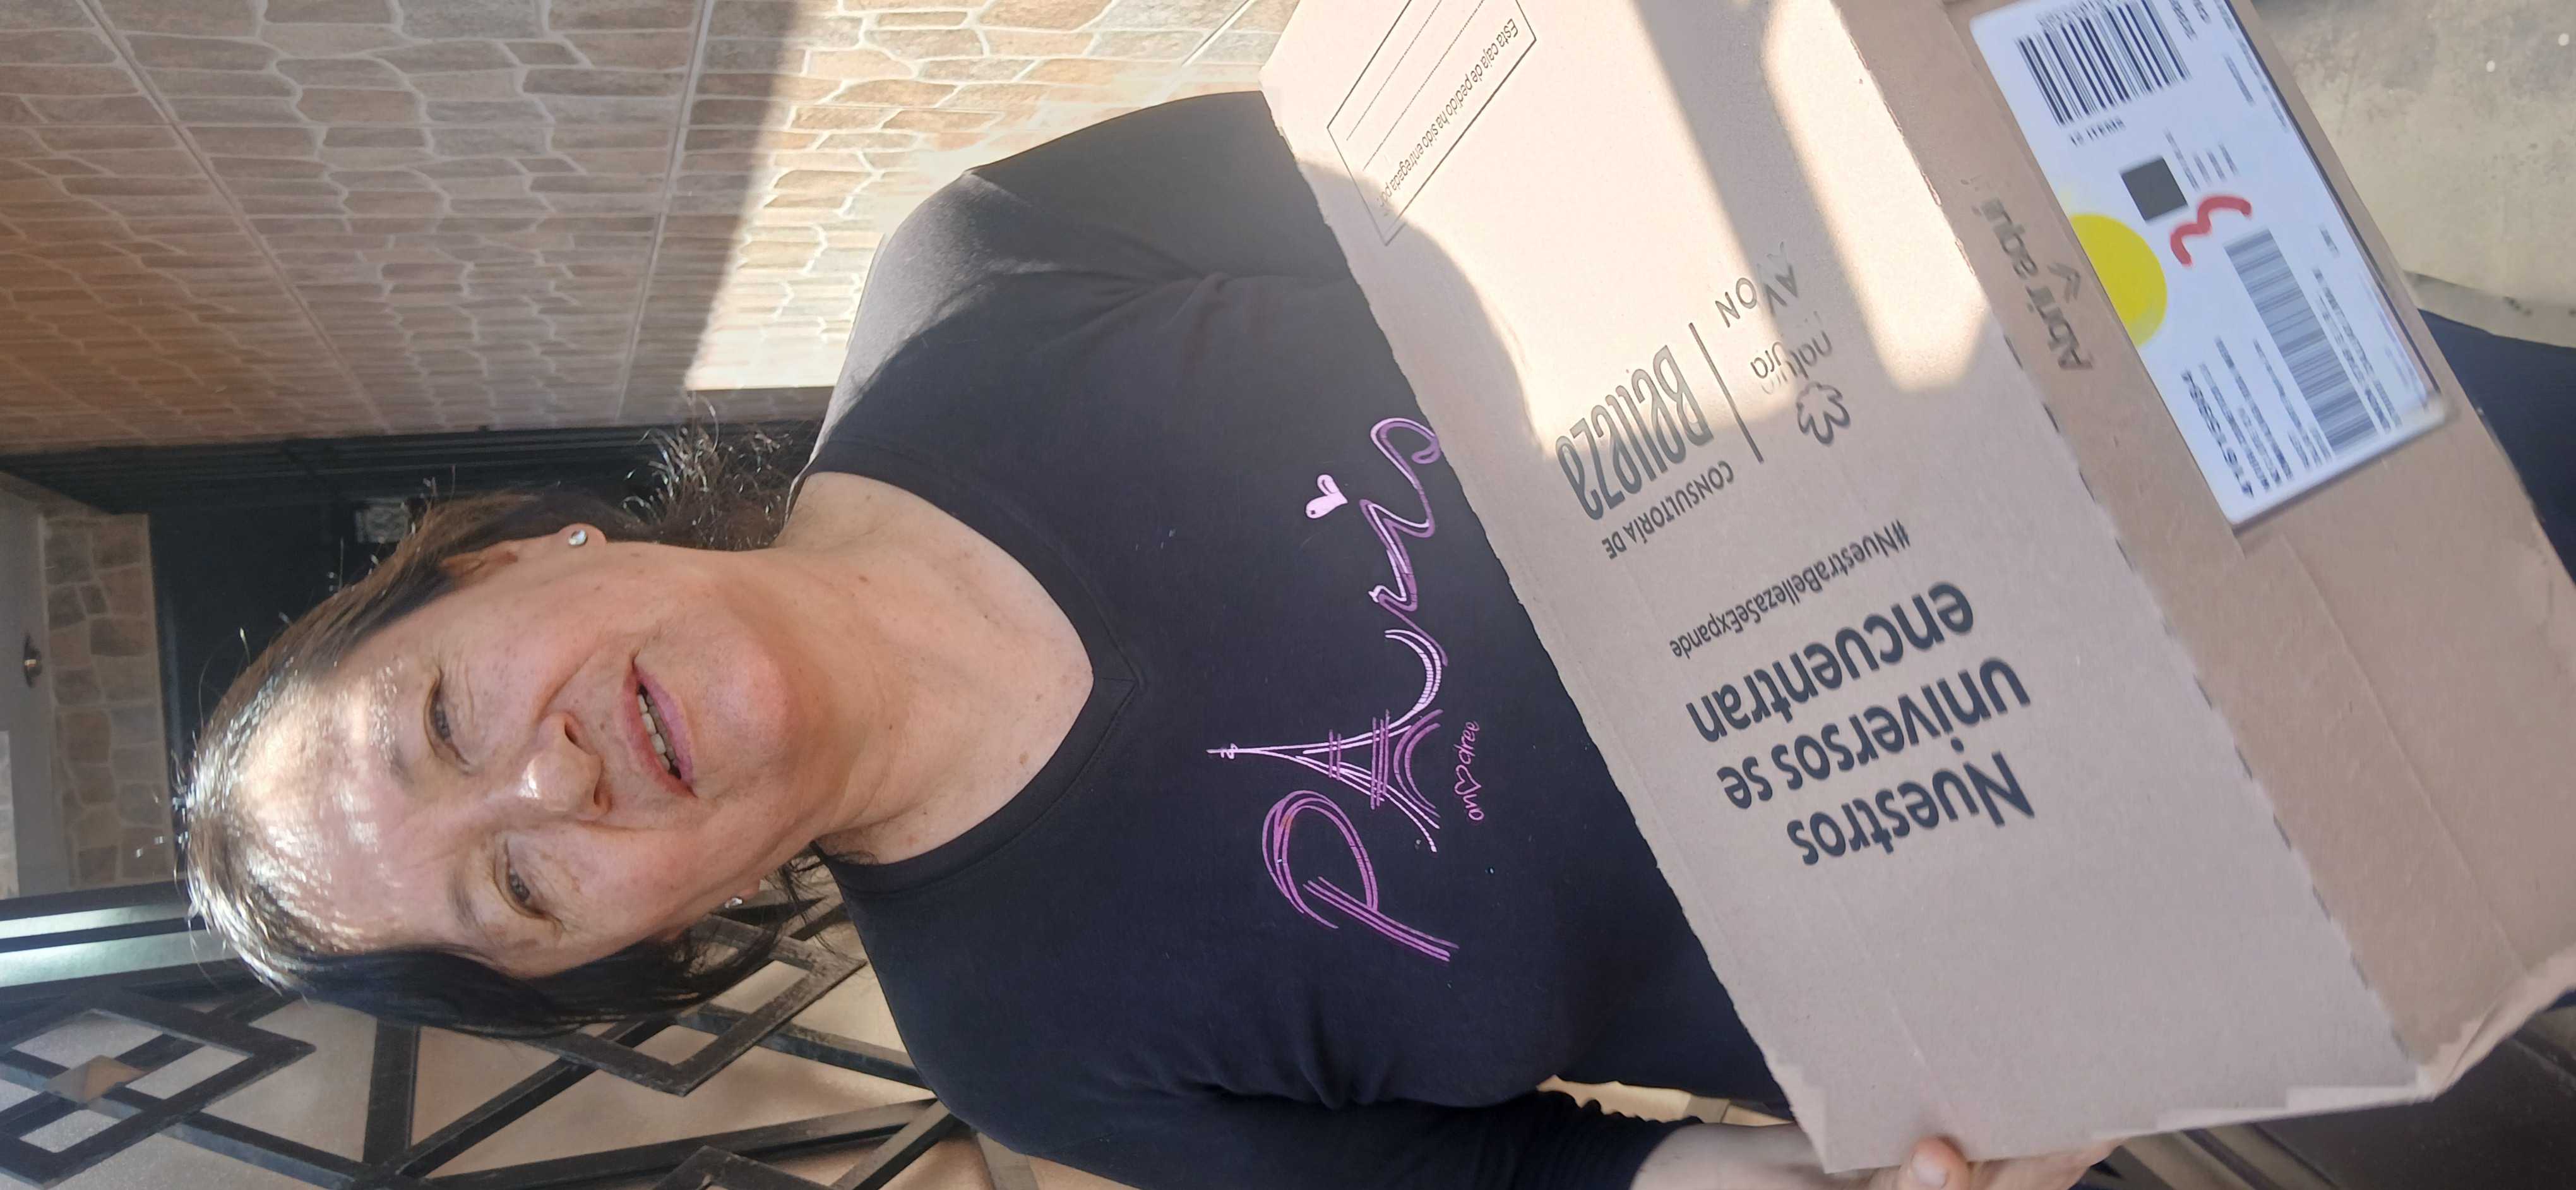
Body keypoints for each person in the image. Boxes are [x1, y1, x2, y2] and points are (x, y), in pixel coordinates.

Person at [181, 94, 2109, 1190]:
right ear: (634, 938)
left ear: (518, 551)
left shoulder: (987, 274)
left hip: (2072, 379)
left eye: (446, 719)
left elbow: (1542, 124)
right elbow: (1567, 1185)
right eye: (521, 888)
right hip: (2110, 917)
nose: (552, 778)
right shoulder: (1035, 1057)